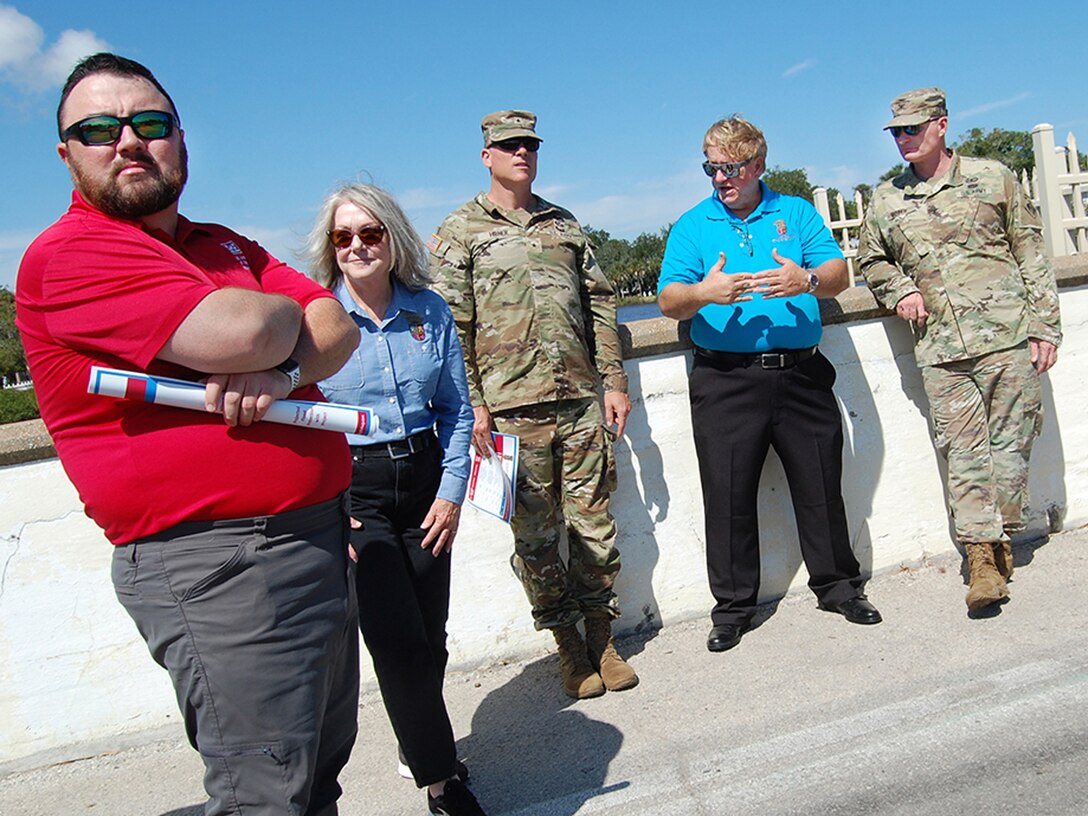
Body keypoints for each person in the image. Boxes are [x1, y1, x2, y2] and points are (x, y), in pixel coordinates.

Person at [16, 53, 361, 815]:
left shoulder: (224, 241)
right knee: (264, 795)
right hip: (220, 566)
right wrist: (269, 319)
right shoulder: (71, 254)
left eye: (150, 123)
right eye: (99, 128)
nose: (129, 141)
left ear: (181, 140)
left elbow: (336, 326)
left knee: (315, 777)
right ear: (67, 152)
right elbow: (248, 327)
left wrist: (282, 374)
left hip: (314, 538)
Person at [428, 110, 638, 699]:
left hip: (577, 402)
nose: (521, 153)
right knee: (538, 541)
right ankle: (568, 646)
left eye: (529, 145)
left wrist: (613, 381)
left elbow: (599, 303)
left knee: (595, 528)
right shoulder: (460, 231)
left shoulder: (563, 223)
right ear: (487, 155)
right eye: (508, 145)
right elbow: (451, 329)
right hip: (510, 412)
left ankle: (603, 637)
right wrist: (473, 406)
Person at [657, 115, 883, 654]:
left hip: (801, 374)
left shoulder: (796, 212)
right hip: (726, 381)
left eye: (731, 168)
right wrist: (704, 293)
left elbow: (838, 275)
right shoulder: (693, 224)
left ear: (758, 164)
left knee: (820, 485)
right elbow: (668, 300)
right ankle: (733, 608)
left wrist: (803, 279)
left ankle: (838, 588)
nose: (720, 178)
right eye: (711, 168)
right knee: (728, 494)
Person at [305, 184, 484, 816]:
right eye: (342, 236)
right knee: (394, 635)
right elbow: (298, 417)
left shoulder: (428, 312)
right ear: (331, 249)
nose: (356, 246)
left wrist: (452, 492)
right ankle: (442, 780)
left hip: (427, 479)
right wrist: (330, 501)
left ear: (392, 239)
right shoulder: (316, 322)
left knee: (428, 636)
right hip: (357, 491)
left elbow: (457, 411)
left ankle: (419, 742)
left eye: (369, 233)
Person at [858, 88, 1062, 614]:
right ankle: (982, 560)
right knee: (964, 450)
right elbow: (872, 261)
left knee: (1012, 446)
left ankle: (1001, 535)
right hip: (942, 346)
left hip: (1008, 335)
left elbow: (1030, 251)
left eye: (912, 128)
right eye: (896, 131)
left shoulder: (993, 177)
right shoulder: (886, 200)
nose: (903, 139)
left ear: (941, 125)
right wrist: (899, 287)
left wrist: (1046, 327)